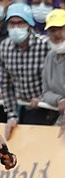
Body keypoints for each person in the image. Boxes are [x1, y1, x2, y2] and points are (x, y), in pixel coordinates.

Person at [0, 3, 53, 139]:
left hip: (47, 108)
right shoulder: (4, 47)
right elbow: (6, 84)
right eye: (12, 23)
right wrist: (11, 115)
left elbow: (56, 78)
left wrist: (43, 98)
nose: (16, 27)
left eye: (20, 23)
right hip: (21, 105)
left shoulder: (46, 45)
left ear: (29, 24)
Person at [38, 9, 65, 138]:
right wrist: (59, 100)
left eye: (61, 28)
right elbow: (46, 92)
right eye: (53, 30)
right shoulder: (50, 56)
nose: (57, 34)